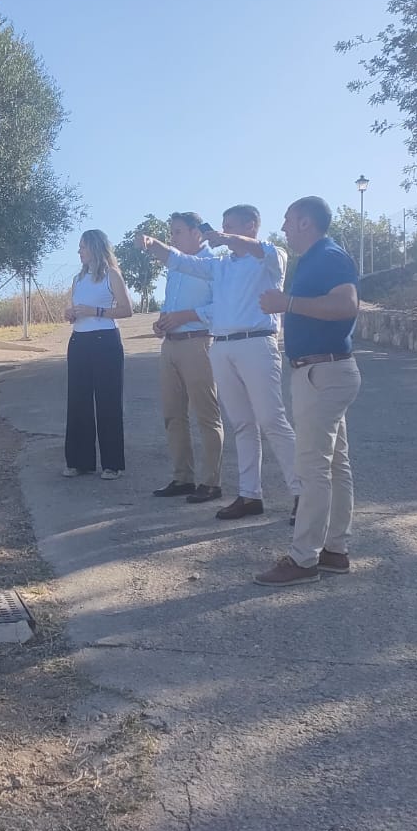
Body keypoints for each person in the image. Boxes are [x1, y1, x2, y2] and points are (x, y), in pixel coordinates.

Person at [142, 204, 299, 520]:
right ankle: (250, 495)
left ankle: (303, 493)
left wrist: (225, 237)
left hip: (257, 343)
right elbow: (182, 262)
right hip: (223, 347)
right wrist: (155, 246)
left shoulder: (271, 258)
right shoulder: (221, 266)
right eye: (223, 226)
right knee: (243, 424)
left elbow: (259, 249)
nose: (223, 232)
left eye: (231, 225)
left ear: (252, 225)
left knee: (272, 421)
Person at [252, 196, 362, 586]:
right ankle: (335, 551)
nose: (283, 228)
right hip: (326, 370)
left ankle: (303, 559)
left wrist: (288, 303)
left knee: (312, 467)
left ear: (305, 223)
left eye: (287, 220)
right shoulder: (318, 258)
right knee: (334, 464)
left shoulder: (328, 256)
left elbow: (347, 305)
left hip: (322, 372)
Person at [148, 212, 224, 504]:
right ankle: (183, 477)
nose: (173, 238)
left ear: (197, 233)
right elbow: (171, 304)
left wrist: (186, 316)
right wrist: (162, 321)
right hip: (171, 345)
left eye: (178, 232)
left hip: (199, 343)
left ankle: (211, 482)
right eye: (172, 232)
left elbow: (222, 307)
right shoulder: (176, 266)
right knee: (173, 415)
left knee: (206, 414)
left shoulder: (214, 265)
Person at [63, 228, 134, 479]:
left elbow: (127, 310)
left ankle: (112, 464)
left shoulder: (111, 275)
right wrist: (70, 313)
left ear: (94, 247)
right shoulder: (77, 278)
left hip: (106, 341)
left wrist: (96, 311)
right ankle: (79, 461)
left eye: (83, 246)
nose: (79, 251)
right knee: (78, 401)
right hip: (79, 341)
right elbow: (74, 308)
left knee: (108, 401)